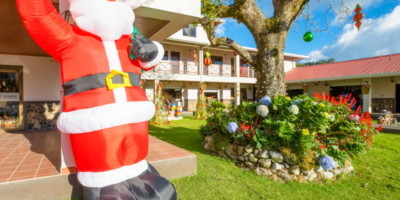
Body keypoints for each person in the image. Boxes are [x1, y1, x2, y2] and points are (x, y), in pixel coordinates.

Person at [17, 0, 176, 199]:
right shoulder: (70, 39)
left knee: (165, 191)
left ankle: (139, 176)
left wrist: (151, 53)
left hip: (138, 148)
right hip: (97, 147)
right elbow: (37, 15)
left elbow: (146, 63)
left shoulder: (129, 43)